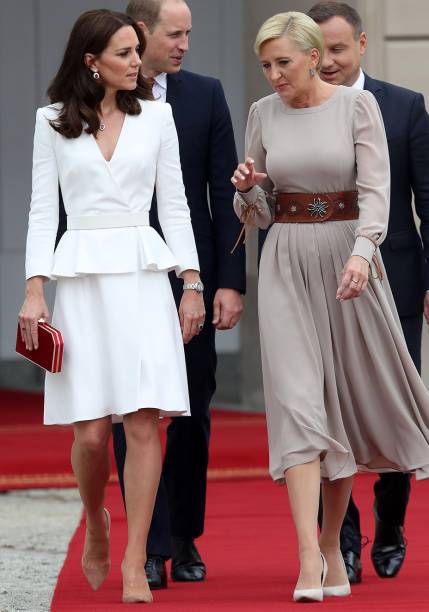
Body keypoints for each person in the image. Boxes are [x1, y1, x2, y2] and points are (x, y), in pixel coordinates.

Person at [232, 10, 429, 603]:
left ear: (315, 57)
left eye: (283, 63)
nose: (273, 75)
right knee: (298, 406)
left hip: (348, 260)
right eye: (265, 65)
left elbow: (377, 193)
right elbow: (260, 212)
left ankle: (331, 550)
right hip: (286, 263)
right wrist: (248, 190)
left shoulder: (355, 108)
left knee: (335, 407)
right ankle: (309, 560)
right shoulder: (261, 114)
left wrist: (364, 255)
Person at [19, 9, 204, 604]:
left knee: (146, 421)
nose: (136, 61)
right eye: (124, 52)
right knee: (94, 434)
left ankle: (134, 558)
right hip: (81, 281)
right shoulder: (51, 121)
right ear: (91, 60)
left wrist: (192, 280)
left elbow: (174, 204)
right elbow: (42, 211)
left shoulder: (158, 116)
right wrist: (33, 287)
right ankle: (95, 516)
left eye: (136, 50)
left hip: (144, 277)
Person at [111, 0, 245, 590]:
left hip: (192, 280)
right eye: (175, 33)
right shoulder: (102, 95)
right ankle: (149, 543)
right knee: (130, 413)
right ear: (141, 32)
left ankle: (186, 535)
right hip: (121, 277)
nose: (185, 43)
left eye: (189, 33)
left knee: (192, 411)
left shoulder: (205, 95)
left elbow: (224, 195)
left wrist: (229, 282)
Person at [307, 1, 429, 584]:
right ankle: (343, 537)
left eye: (337, 49)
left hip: (395, 279)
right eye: (317, 50)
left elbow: (426, 199)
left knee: (392, 406)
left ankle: (392, 520)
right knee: (329, 411)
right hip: (322, 285)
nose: (326, 62)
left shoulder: (404, 106)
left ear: (360, 44)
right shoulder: (295, 108)